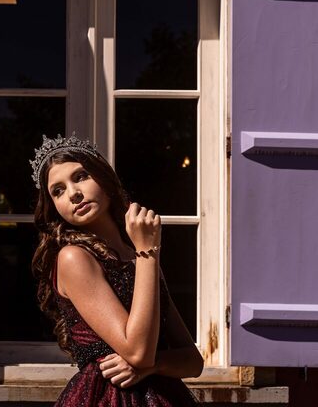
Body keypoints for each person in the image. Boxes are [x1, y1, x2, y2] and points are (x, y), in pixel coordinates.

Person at [30, 134, 203, 406]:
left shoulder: (139, 256)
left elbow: (193, 361)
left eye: (81, 176)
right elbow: (137, 352)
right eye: (58, 191)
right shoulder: (74, 258)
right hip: (106, 398)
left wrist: (154, 365)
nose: (74, 193)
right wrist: (147, 252)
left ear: (105, 180)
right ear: (53, 207)